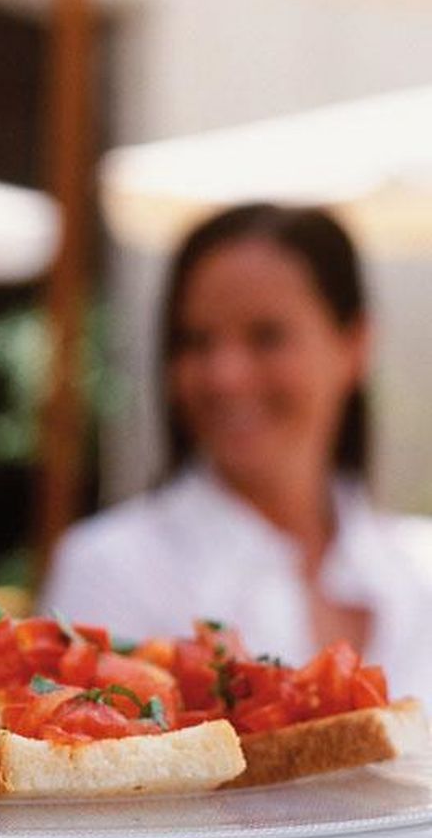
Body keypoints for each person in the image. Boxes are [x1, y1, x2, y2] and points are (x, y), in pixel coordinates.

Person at [41, 203, 432, 695]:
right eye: (196, 342)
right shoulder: (111, 569)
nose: (224, 376)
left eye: (266, 337)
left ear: (355, 345)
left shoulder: (419, 567)